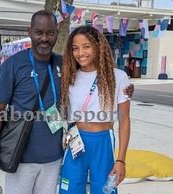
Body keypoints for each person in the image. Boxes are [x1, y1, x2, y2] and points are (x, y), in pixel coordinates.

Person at [0, 10, 134, 194]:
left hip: (57, 156)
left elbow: (98, 74)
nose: (44, 38)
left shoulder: (66, 66)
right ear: (30, 32)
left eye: (50, 33)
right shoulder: (17, 65)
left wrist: (124, 86)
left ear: (56, 33)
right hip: (22, 155)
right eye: (39, 32)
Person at [59, 25, 130, 194]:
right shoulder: (69, 77)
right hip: (76, 141)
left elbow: (125, 120)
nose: (80, 53)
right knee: (69, 189)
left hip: (103, 142)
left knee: (104, 190)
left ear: (98, 46)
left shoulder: (118, 77)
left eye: (86, 46)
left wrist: (121, 160)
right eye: (75, 48)